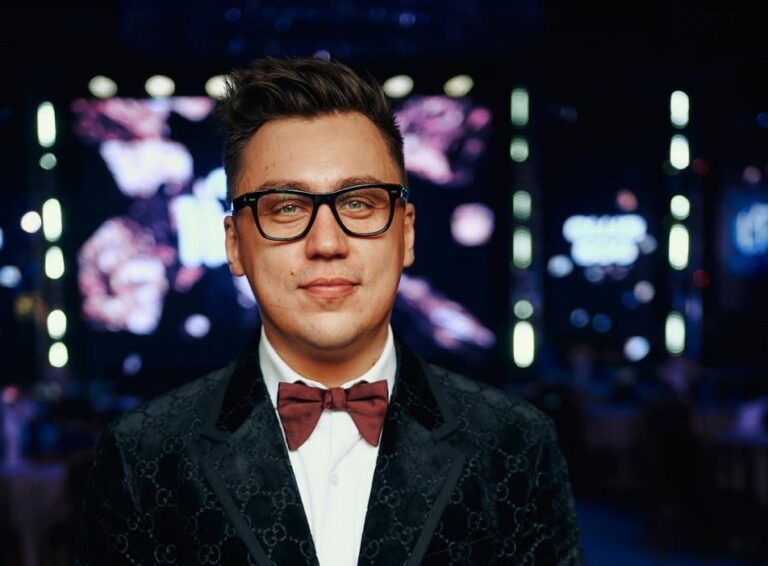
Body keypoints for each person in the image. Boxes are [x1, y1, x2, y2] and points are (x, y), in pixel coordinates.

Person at [75, 56, 584, 565]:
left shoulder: (516, 443)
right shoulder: (143, 454)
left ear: (406, 234)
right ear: (234, 244)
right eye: (286, 207)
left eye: (359, 203)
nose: (326, 243)